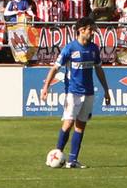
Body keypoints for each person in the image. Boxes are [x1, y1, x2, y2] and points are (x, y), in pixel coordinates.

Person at [39, 18, 108, 169]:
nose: (93, 32)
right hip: (73, 93)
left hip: (89, 93)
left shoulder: (94, 48)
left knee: (81, 125)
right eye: (90, 30)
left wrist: (106, 90)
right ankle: (56, 155)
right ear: (81, 30)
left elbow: (99, 69)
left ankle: (72, 160)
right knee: (68, 123)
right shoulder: (70, 48)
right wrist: (46, 87)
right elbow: (55, 68)